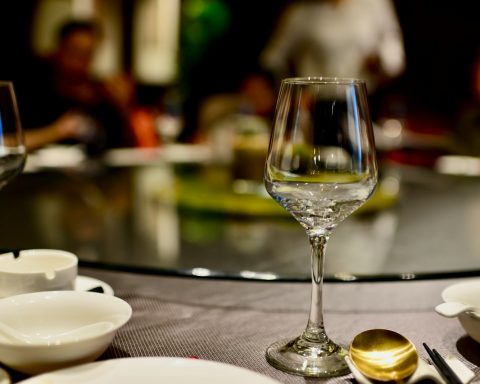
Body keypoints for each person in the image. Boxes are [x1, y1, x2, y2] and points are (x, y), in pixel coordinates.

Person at [260, 0, 405, 117]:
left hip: (361, 104)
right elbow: (272, 59)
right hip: (316, 106)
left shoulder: (375, 5)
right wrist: (292, 94)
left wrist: (380, 62)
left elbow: (394, 55)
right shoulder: (301, 10)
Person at [15, 19, 134, 153]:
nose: (79, 62)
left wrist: (124, 108)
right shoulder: (33, 88)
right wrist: (56, 132)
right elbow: (6, 143)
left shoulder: (101, 95)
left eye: (87, 54)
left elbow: (127, 149)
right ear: (58, 49)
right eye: (74, 51)